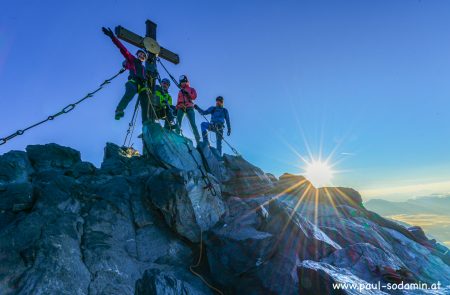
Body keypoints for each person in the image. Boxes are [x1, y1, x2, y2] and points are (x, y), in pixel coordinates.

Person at [102, 27, 151, 123]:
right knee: (131, 92)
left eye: (143, 56)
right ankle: (119, 109)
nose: (141, 56)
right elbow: (123, 49)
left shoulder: (144, 69)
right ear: (137, 55)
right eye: (140, 54)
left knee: (146, 99)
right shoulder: (132, 60)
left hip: (142, 85)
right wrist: (113, 37)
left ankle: (146, 121)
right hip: (133, 82)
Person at [176, 75, 201, 144]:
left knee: (193, 123)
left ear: (186, 81)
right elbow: (178, 100)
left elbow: (194, 97)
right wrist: (177, 107)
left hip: (189, 107)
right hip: (181, 107)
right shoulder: (180, 91)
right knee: (178, 122)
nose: (183, 83)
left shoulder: (191, 89)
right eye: (181, 82)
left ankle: (198, 141)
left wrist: (188, 93)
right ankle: (176, 137)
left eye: (184, 81)